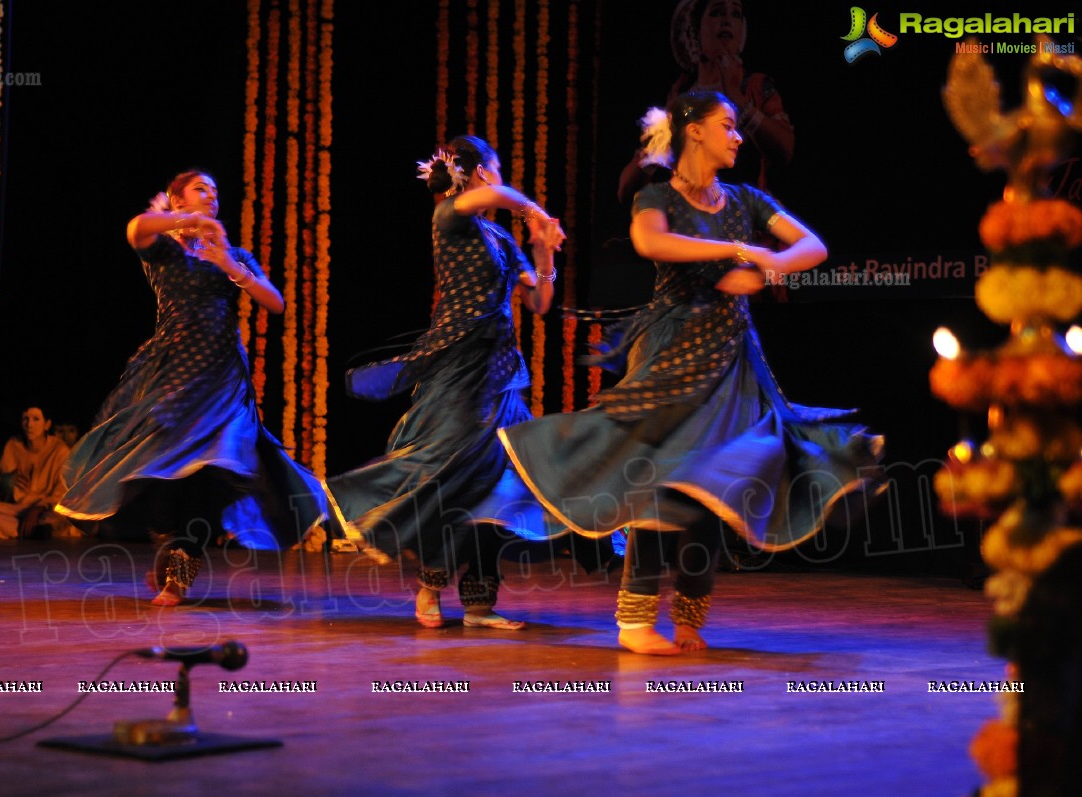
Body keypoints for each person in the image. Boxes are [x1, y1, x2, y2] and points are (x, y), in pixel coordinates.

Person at [500, 92, 883, 655]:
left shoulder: (747, 198)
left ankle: (689, 616)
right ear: (693, 133)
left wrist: (770, 262)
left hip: (731, 359)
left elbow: (814, 246)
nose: (736, 136)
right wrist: (735, 249)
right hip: (670, 353)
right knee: (662, 482)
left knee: (714, 487)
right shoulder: (656, 196)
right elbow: (649, 241)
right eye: (726, 126)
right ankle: (634, 620)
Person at [55, 169, 326, 606]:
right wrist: (183, 223)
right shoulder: (163, 248)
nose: (212, 197)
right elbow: (135, 228)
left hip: (223, 379)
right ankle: (167, 546)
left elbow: (274, 302)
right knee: (160, 468)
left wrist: (228, 265)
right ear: (177, 200)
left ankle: (180, 573)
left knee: (218, 472)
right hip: (172, 374)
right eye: (202, 189)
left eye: (216, 192)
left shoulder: (232, 253)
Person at [324, 135, 564, 630]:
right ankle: (421, 575)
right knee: (450, 467)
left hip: (499, 372)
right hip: (458, 367)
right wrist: (534, 210)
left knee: (501, 481)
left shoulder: (500, 239)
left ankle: (479, 602)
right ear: (477, 172)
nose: (500, 177)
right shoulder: (449, 216)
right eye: (496, 168)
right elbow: (504, 198)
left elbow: (539, 303)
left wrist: (544, 256)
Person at [617, 0, 793, 205]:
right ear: (695, 30)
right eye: (717, 13)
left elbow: (784, 150)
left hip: (745, 223)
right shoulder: (680, 95)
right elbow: (626, 192)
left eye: (735, 14)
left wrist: (740, 102)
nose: (727, 21)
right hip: (691, 224)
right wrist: (658, 149)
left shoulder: (756, 86)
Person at [0, 405, 77, 540]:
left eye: (36, 419)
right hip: (17, 509)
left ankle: (17, 529)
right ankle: (32, 532)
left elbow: (62, 494)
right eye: (25, 419)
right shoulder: (13, 445)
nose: (30, 425)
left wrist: (37, 509)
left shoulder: (60, 450)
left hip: (45, 510)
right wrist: (6, 482)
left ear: (46, 424)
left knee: (63, 516)